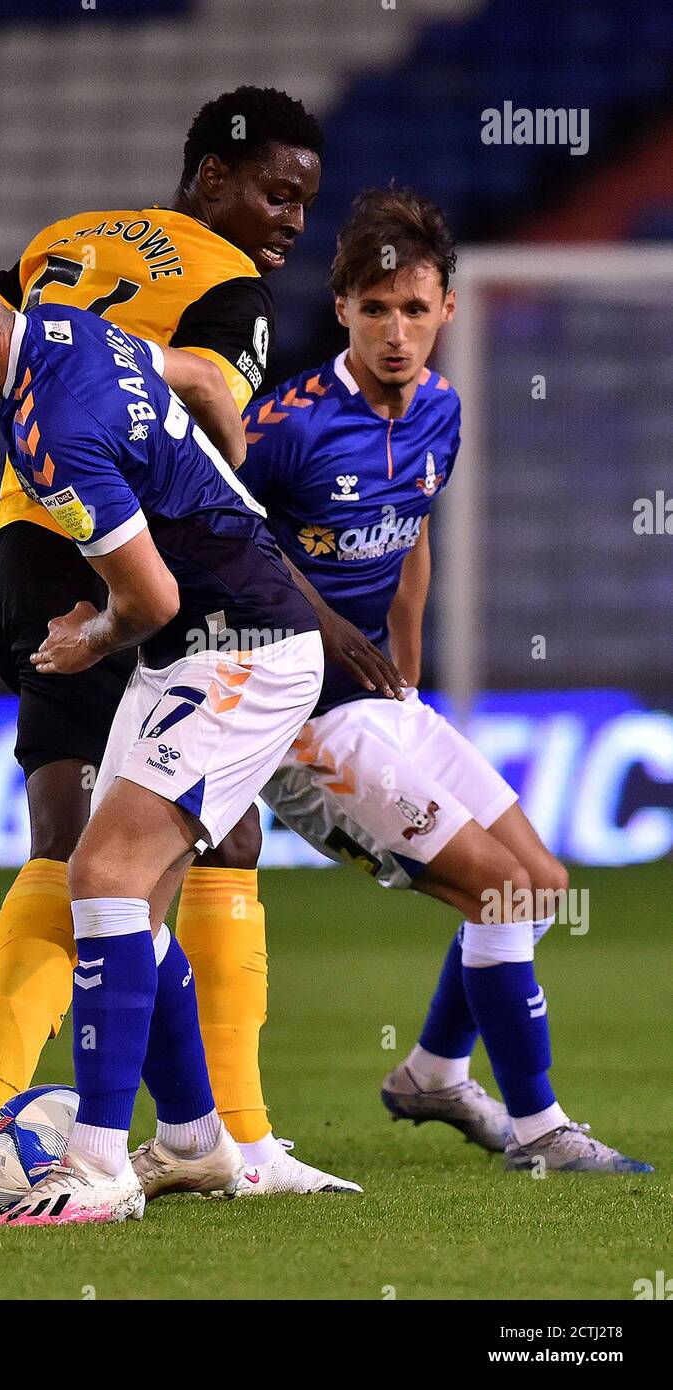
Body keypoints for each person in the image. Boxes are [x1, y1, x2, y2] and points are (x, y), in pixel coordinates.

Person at [0, 88, 393, 1197]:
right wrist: (273, 566)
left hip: (27, 548)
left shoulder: (54, 246)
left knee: (73, 838)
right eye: (276, 193)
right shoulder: (228, 286)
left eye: (303, 204)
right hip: (146, 561)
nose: (288, 225)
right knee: (200, 850)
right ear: (208, 178)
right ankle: (228, 1138)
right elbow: (212, 405)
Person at [236, 187, 652, 1176]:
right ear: (339, 306)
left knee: (539, 887)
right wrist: (332, 628)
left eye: (414, 309)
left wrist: (409, 672)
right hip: (294, 712)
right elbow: (228, 542)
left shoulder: (440, 411)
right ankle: (543, 1132)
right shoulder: (284, 424)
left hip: (377, 698)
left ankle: (427, 1070)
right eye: (374, 308)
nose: (395, 331)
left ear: (447, 311)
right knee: (502, 894)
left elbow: (411, 535)